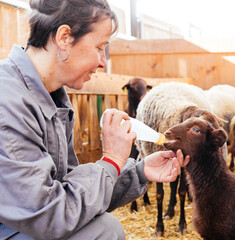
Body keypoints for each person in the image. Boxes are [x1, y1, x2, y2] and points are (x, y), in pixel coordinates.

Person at [0, 0, 190, 239]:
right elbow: (49, 215)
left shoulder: (53, 99)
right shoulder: (8, 103)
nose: (103, 62)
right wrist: (111, 160)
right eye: (100, 47)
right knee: (104, 230)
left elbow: (71, 193)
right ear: (64, 38)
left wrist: (138, 172)